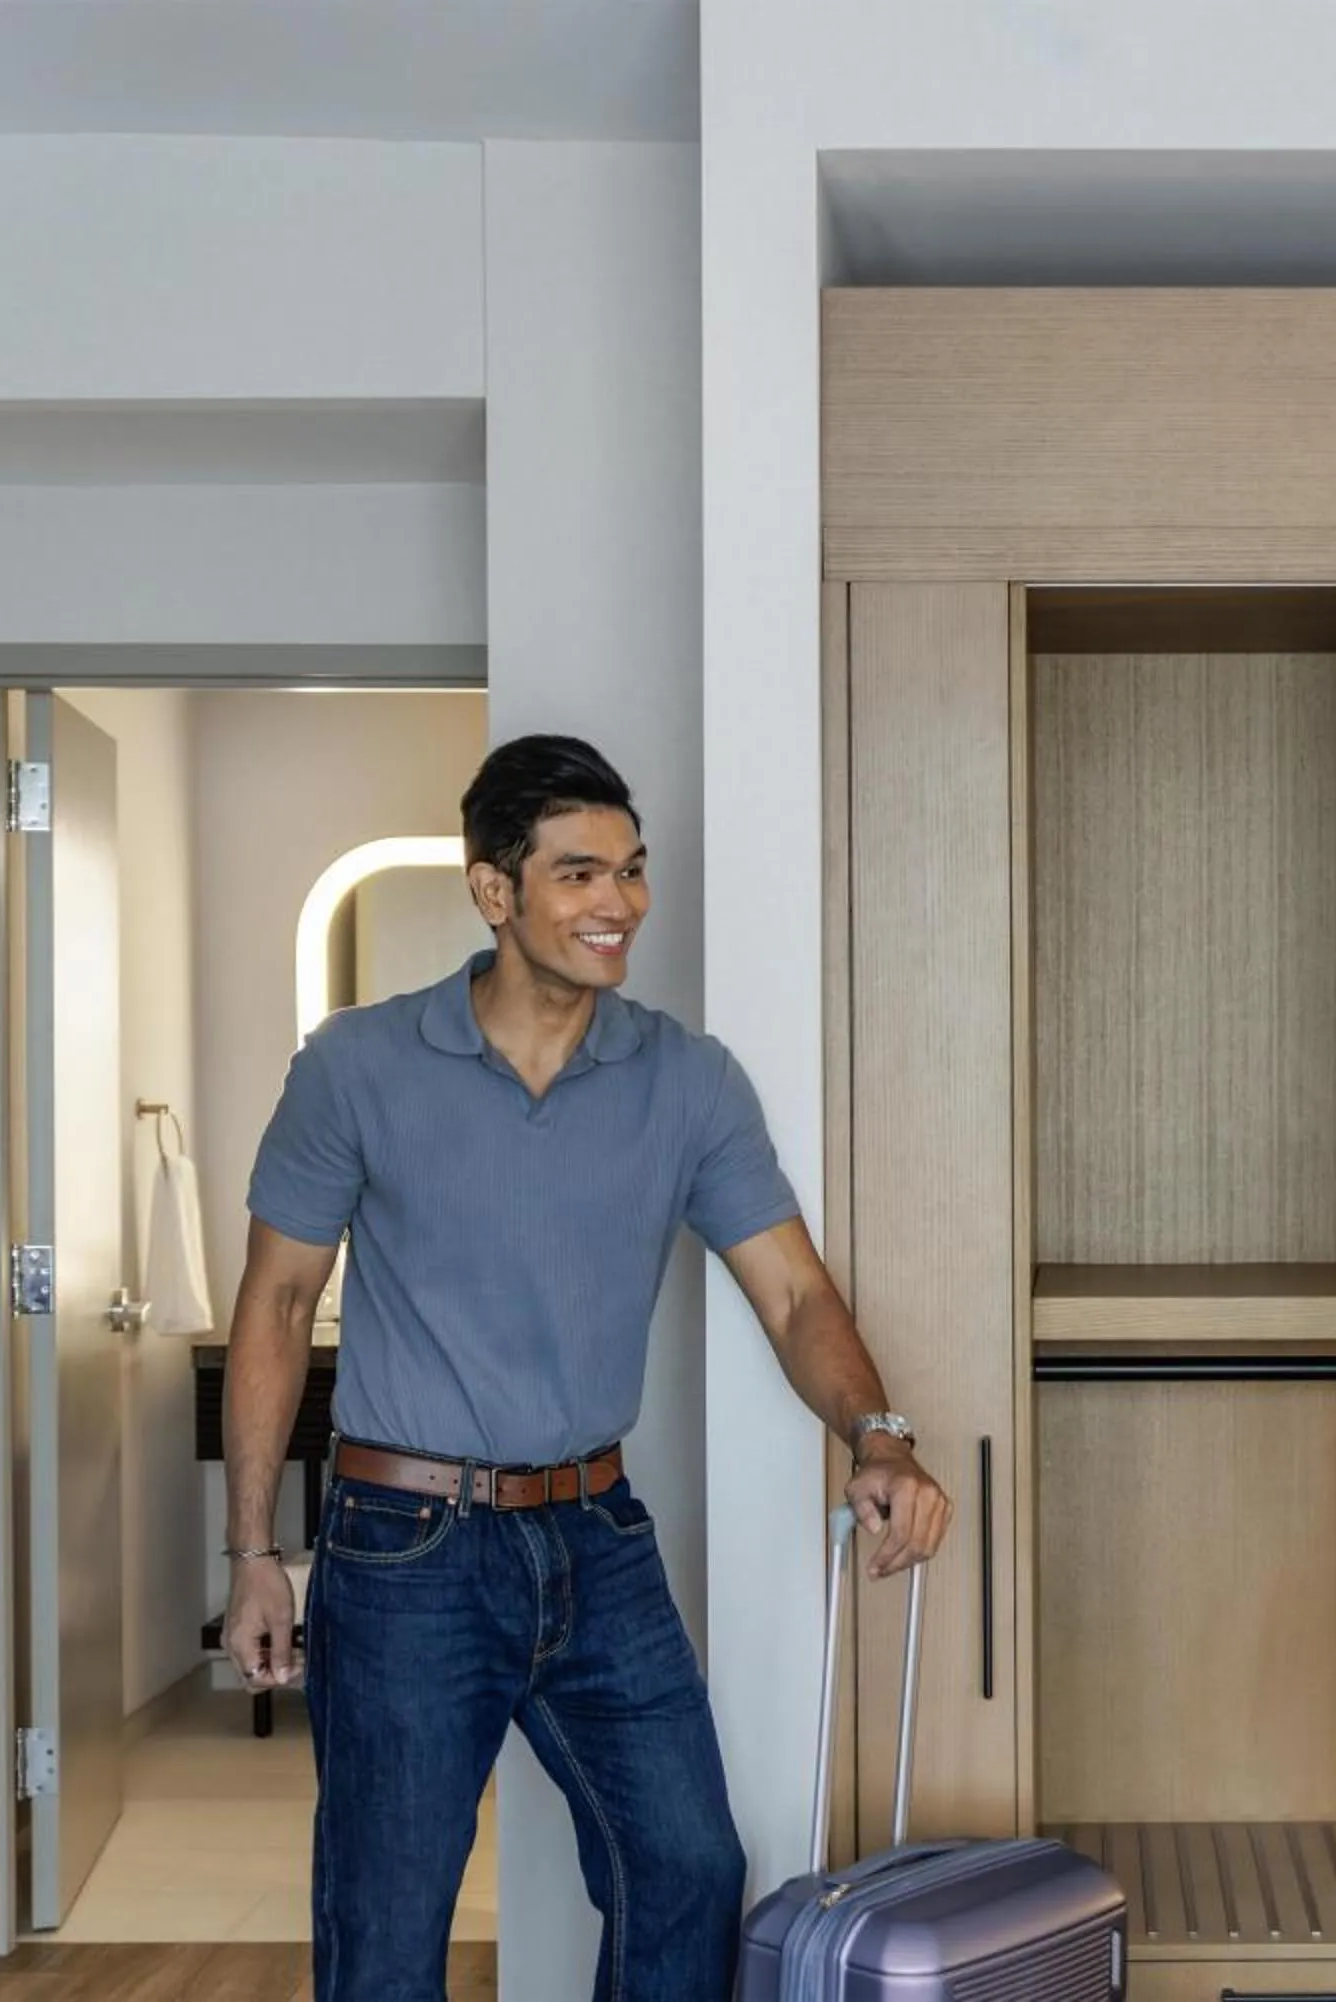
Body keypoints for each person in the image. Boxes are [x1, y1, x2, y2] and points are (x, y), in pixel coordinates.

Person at [217, 735, 951, 2002]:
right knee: (387, 1922)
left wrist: (878, 1435)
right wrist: (252, 1552)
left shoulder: (687, 1080)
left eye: (632, 870)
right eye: (579, 874)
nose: (621, 903)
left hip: (596, 1536)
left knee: (688, 1866)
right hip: (403, 1548)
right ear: (492, 890)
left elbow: (793, 1293)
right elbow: (277, 1304)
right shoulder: (356, 1065)